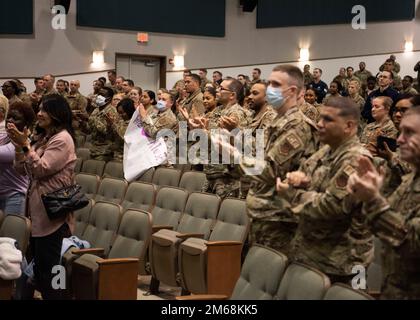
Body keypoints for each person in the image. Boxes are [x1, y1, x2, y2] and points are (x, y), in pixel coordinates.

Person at [280, 97, 373, 283]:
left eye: (328, 120)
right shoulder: (326, 151)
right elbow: (301, 176)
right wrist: (297, 181)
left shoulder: (356, 158)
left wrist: (292, 194)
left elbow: (333, 206)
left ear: (348, 126)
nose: (319, 124)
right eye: (320, 118)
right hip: (312, 252)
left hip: (342, 264)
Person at [238, 65, 318, 254]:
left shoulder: (297, 125)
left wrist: (234, 156)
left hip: (279, 218)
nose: (269, 89)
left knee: (268, 276)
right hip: (264, 214)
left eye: (275, 84)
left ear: (292, 91)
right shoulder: (278, 122)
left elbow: (272, 170)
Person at [7, 94, 76, 300]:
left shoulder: (63, 139)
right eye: (39, 109)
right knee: (40, 272)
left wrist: (26, 146)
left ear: (57, 114)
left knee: (53, 271)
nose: (39, 114)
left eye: (44, 110)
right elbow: (21, 169)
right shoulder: (44, 137)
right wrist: (20, 145)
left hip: (54, 216)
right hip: (39, 214)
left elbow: (41, 168)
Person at [347, 107, 420, 299]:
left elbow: (412, 242)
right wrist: (371, 196)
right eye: (401, 131)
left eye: (410, 133)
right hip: (392, 286)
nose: (400, 140)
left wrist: (374, 200)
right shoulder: (411, 179)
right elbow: (382, 226)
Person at [1, 102, 36, 215]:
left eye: (15, 118)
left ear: (26, 124)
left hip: (14, 196)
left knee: (10, 232)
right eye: (9, 117)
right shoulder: (5, 136)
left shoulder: (24, 144)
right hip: (2, 192)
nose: (10, 120)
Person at [88, 87, 119, 161]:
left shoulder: (112, 112)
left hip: (105, 150)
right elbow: (90, 128)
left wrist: (96, 122)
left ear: (108, 99)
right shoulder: (96, 110)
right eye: (99, 94)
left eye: (102, 95)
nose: (99, 96)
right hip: (94, 148)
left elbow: (109, 132)